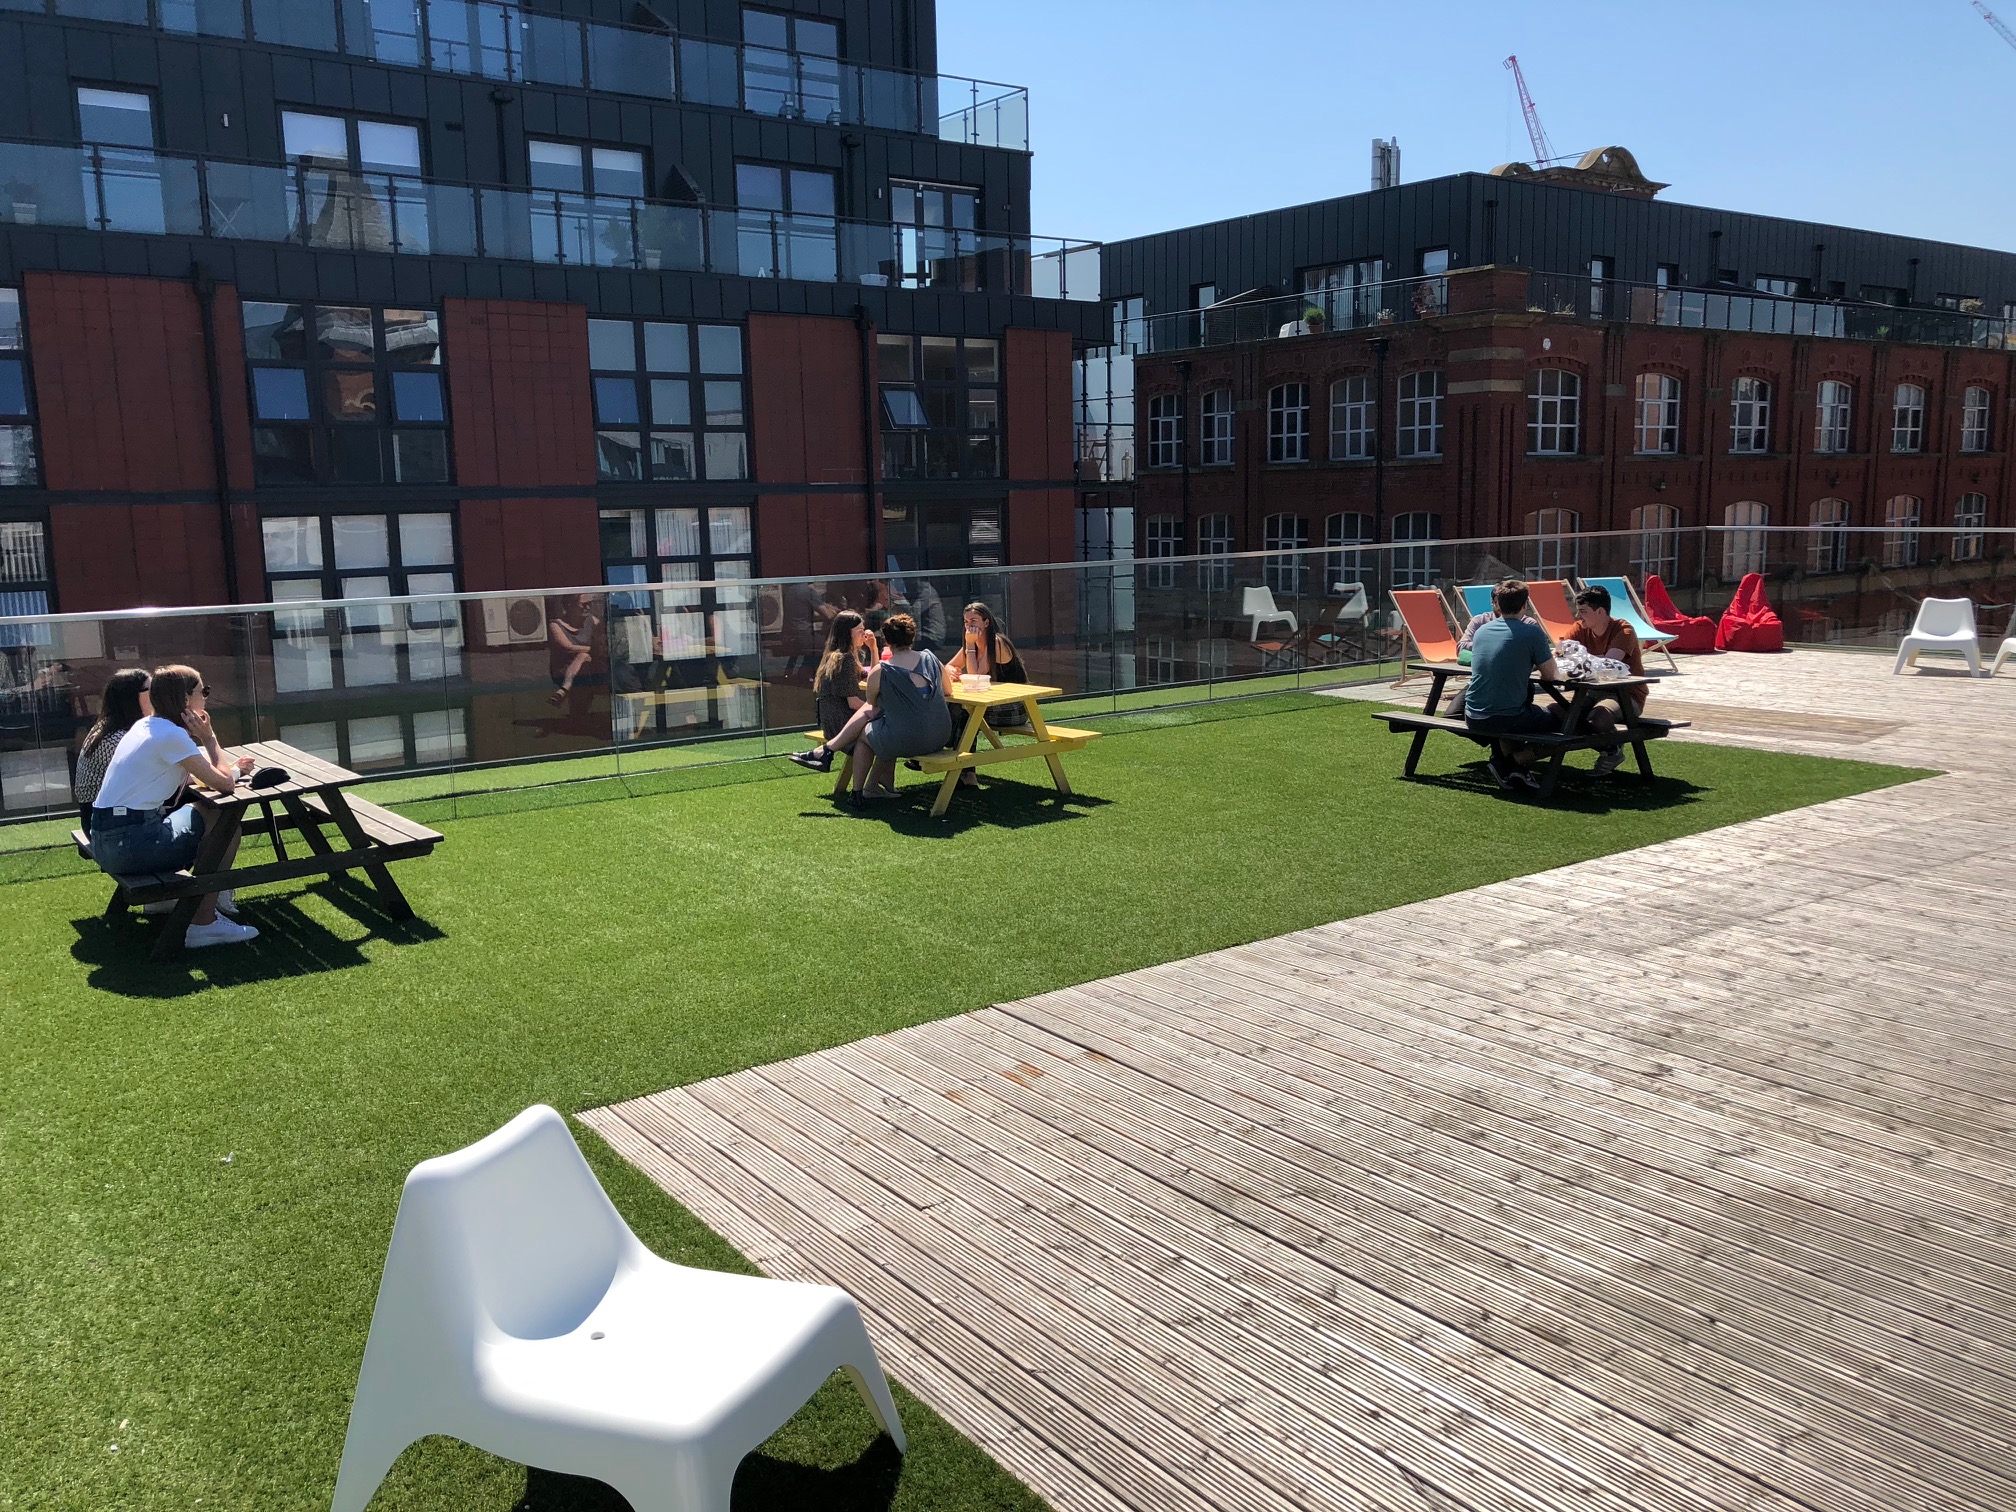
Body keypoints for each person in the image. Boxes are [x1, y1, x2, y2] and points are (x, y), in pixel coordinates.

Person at [88, 665, 258, 947]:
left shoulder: (146, 726)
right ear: (186, 700)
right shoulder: (172, 736)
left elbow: (199, 774)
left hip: (107, 838)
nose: (206, 698)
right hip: (130, 844)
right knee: (225, 825)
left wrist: (232, 771)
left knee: (211, 816)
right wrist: (209, 737)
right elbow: (224, 786)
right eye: (203, 691)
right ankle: (204, 922)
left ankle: (200, 900)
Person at [1462, 580, 1564, 791]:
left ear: (1498, 604)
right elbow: (1551, 675)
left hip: (1472, 715)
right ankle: (1512, 763)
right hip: (1506, 716)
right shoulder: (1531, 632)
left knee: (1520, 710)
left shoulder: (1482, 631)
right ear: (1525, 604)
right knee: (1569, 722)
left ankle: (1516, 770)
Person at [851, 614, 951, 803]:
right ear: (912, 637)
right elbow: (948, 690)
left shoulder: (881, 670)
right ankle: (877, 784)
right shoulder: (931, 659)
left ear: (887, 641)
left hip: (905, 739)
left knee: (865, 736)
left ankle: (859, 791)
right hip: (940, 736)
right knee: (888, 731)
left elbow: (872, 703)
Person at [1563, 585, 1644, 776]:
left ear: (1600, 611)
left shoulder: (1623, 630)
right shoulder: (1578, 629)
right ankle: (1610, 748)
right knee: (1557, 712)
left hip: (1626, 694)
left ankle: (1612, 746)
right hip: (1591, 691)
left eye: (1582, 611)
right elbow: (1562, 653)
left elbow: (1609, 664)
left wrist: (1579, 658)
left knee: (1598, 718)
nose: (1577, 616)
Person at [789, 611, 878, 773]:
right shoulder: (845, 659)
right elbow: (853, 703)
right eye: (859, 631)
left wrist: (873, 649)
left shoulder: (838, 655)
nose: (863, 634)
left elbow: (874, 677)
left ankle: (826, 756)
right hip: (840, 722)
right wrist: (878, 712)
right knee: (882, 731)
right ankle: (870, 787)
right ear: (847, 633)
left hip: (829, 720)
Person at [72, 667, 152, 834]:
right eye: (150, 689)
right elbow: (155, 776)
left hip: (110, 817)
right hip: (106, 825)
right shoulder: (118, 738)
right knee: (191, 805)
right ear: (131, 697)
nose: (156, 695)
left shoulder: (112, 727)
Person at [547, 594, 600, 706]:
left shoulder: (593, 621)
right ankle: (566, 686)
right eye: (583, 605)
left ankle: (564, 690)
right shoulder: (555, 625)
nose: (588, 608)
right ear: (570, 605)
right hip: (565, 669)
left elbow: (603, 640)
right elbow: (568, 648)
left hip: (591, 666)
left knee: (584, 657)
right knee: (583, 656)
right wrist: (592, 650)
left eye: (590, 604)